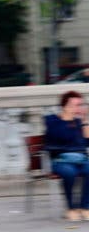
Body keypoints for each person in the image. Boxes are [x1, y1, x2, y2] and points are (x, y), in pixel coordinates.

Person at [44, 90, 89, 221]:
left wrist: (85, 120)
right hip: (60, 160)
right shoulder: (51, 120)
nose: (78, 108)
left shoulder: (79, 122)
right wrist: (68, 119)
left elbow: (87, 141)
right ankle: (71, 208)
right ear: (64, 106)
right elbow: (58, 136)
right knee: (70, 172)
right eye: (75, 105)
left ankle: (84, 207)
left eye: (80, 105)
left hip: (81, 159)